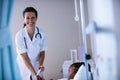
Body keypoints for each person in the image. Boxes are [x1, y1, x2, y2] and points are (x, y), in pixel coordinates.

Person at [15, 7, 48, 80]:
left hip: (36, 65)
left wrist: (40, 64)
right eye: (27, 18)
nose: (30, 20)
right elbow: (25, 58)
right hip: (23, 66)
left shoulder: (42, 33)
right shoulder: (19, 35)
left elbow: (42, 53)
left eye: (33, 18)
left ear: (36, 19)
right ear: (24, 19)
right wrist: (34, 74)